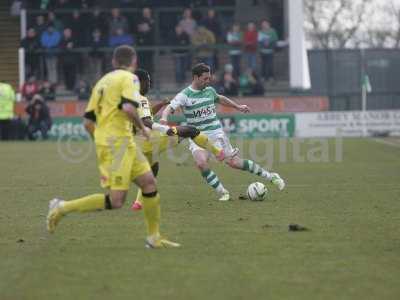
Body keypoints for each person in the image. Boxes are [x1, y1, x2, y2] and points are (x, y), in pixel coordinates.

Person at [46, 45, 180, 249]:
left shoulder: (101, 83)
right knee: (117, 200)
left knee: (149, 183)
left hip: (118, 142)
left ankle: (154, 237)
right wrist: (141, 128)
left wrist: (101, 142)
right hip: (118, 144)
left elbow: (87, 122)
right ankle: (61, 207)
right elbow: (128, 108)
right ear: (133, 62)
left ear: (113, 62)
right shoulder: (130, 79)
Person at [161, 63, 285, 201]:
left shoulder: (209, 91)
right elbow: (170, 107)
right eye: (205, 78)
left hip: (216, 134)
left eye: (209, 78)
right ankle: (223, 192)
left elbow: (220, 98)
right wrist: (164, 118)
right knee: (201, 163)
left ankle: (271, 176)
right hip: (197, 136)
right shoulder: (185, 95)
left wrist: (237, 106)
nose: (208, 81)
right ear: (195, 77)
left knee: (234, 163)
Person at [130, 68, 224, 211]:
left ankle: (138, 203)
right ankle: (218, 152)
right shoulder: (141, 99)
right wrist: (165, 129)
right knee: (190, 130)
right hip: (150, 140)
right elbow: (146, 121)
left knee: (153, 169)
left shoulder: (129, 97)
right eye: (148, 81)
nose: (150, 84)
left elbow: (145, 115)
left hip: (136, 145)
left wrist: (161, 104)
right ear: (140, 82)